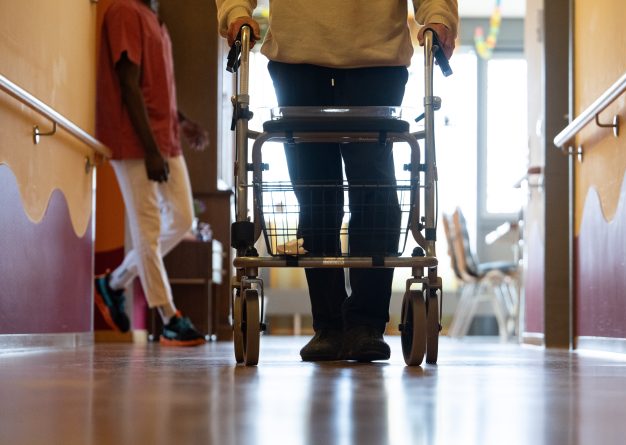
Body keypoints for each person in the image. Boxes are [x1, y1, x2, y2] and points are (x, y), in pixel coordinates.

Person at [217, 0, 457, 362]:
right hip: (297, 56)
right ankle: (328, 325)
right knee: (313, 189)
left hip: (376, 56)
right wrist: (235, 11)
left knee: (372, 185)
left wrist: (438, 17)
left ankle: (366, 323)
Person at [95, 0, 209, 346]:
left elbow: (153, 89)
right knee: (149, 228)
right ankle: (169, 315)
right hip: (134, 141)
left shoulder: (155, 20)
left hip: (164, 138)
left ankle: (113, 282)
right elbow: (128, 84)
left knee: (183, 219)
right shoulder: (124, 12)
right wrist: (149, 149)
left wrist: (182, 121)